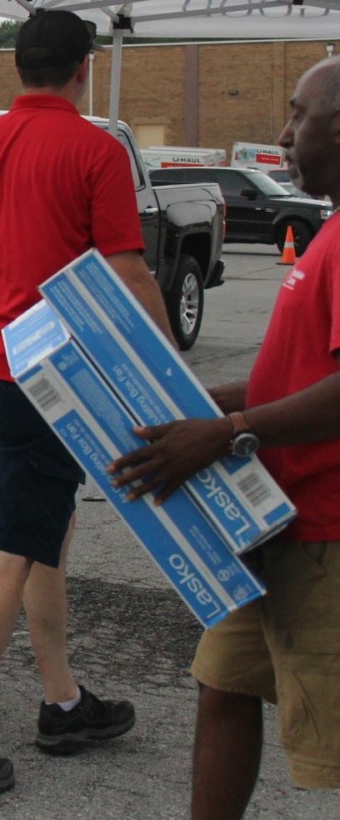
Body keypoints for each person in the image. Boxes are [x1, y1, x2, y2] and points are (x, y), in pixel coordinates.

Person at [0, 10, 177, 797]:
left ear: (16, 67)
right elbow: (129, 273)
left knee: (42, 528)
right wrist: (170, 379)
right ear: (84, 69)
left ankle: (63, 702)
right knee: (11, 542)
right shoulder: (95, 149)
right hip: (49, 380)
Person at [109, 55, 340, 817]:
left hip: (326, 537)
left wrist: (228, 429)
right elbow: (304, 371)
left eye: (298, 116)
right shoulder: (330, 233)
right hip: (272, 516)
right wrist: (209, 405)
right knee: (225, 683)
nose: (283, 133)